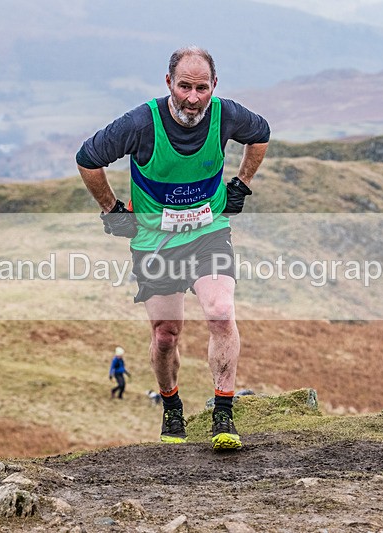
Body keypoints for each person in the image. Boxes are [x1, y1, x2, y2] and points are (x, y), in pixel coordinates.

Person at [76, 46, 269, 450]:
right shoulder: (141, 123)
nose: (193, 98)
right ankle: (171, 404)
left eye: (202, 88)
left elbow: (260, 135)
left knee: (219, 312)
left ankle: (223, 411)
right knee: (166, 334)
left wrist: (241, 185)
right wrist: (112, 210)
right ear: (169, 83)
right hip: (155, 242)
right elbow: (88, 159)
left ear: (214, 86)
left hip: (208, 233)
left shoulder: (226, 115)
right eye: (184, 86)